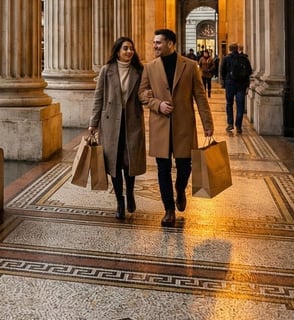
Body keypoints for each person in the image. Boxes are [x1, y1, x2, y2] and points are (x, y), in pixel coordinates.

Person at [139, 28, 215, 227]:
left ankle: (180, 189)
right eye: (154, 42)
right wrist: (158, 105)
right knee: (162, 169)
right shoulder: (150, 67)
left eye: (158, 43)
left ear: (171, 44)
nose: (154, 46)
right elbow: (143, 94)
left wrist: (208, 124)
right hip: (160, 126)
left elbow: (200, 96)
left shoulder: (190, 66)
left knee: (185, 166)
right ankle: (169, 210)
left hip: (183, 126)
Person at [88, 37, 147, 220]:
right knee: (113, 163)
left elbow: (144, 93)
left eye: (131, 48)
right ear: (117, 51)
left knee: (130, 162)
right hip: (111, 123)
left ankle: (130, 192)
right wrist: (93, 123)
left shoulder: (139, 70)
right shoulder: (107, 70)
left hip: (132, 122)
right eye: (125, 48)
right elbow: (98, 98)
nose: (129, 51)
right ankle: (120, 201)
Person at [218, 43, 253, 134]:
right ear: (237, 49)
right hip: (241, 85)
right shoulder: (244, 58)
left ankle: (230, 124)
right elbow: (249, 71)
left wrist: (225, 82)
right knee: (240, 105)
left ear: (229, 49)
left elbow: (222, 71)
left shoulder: (226, 59)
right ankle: (238, 126)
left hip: (230, 84)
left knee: (229, 104)